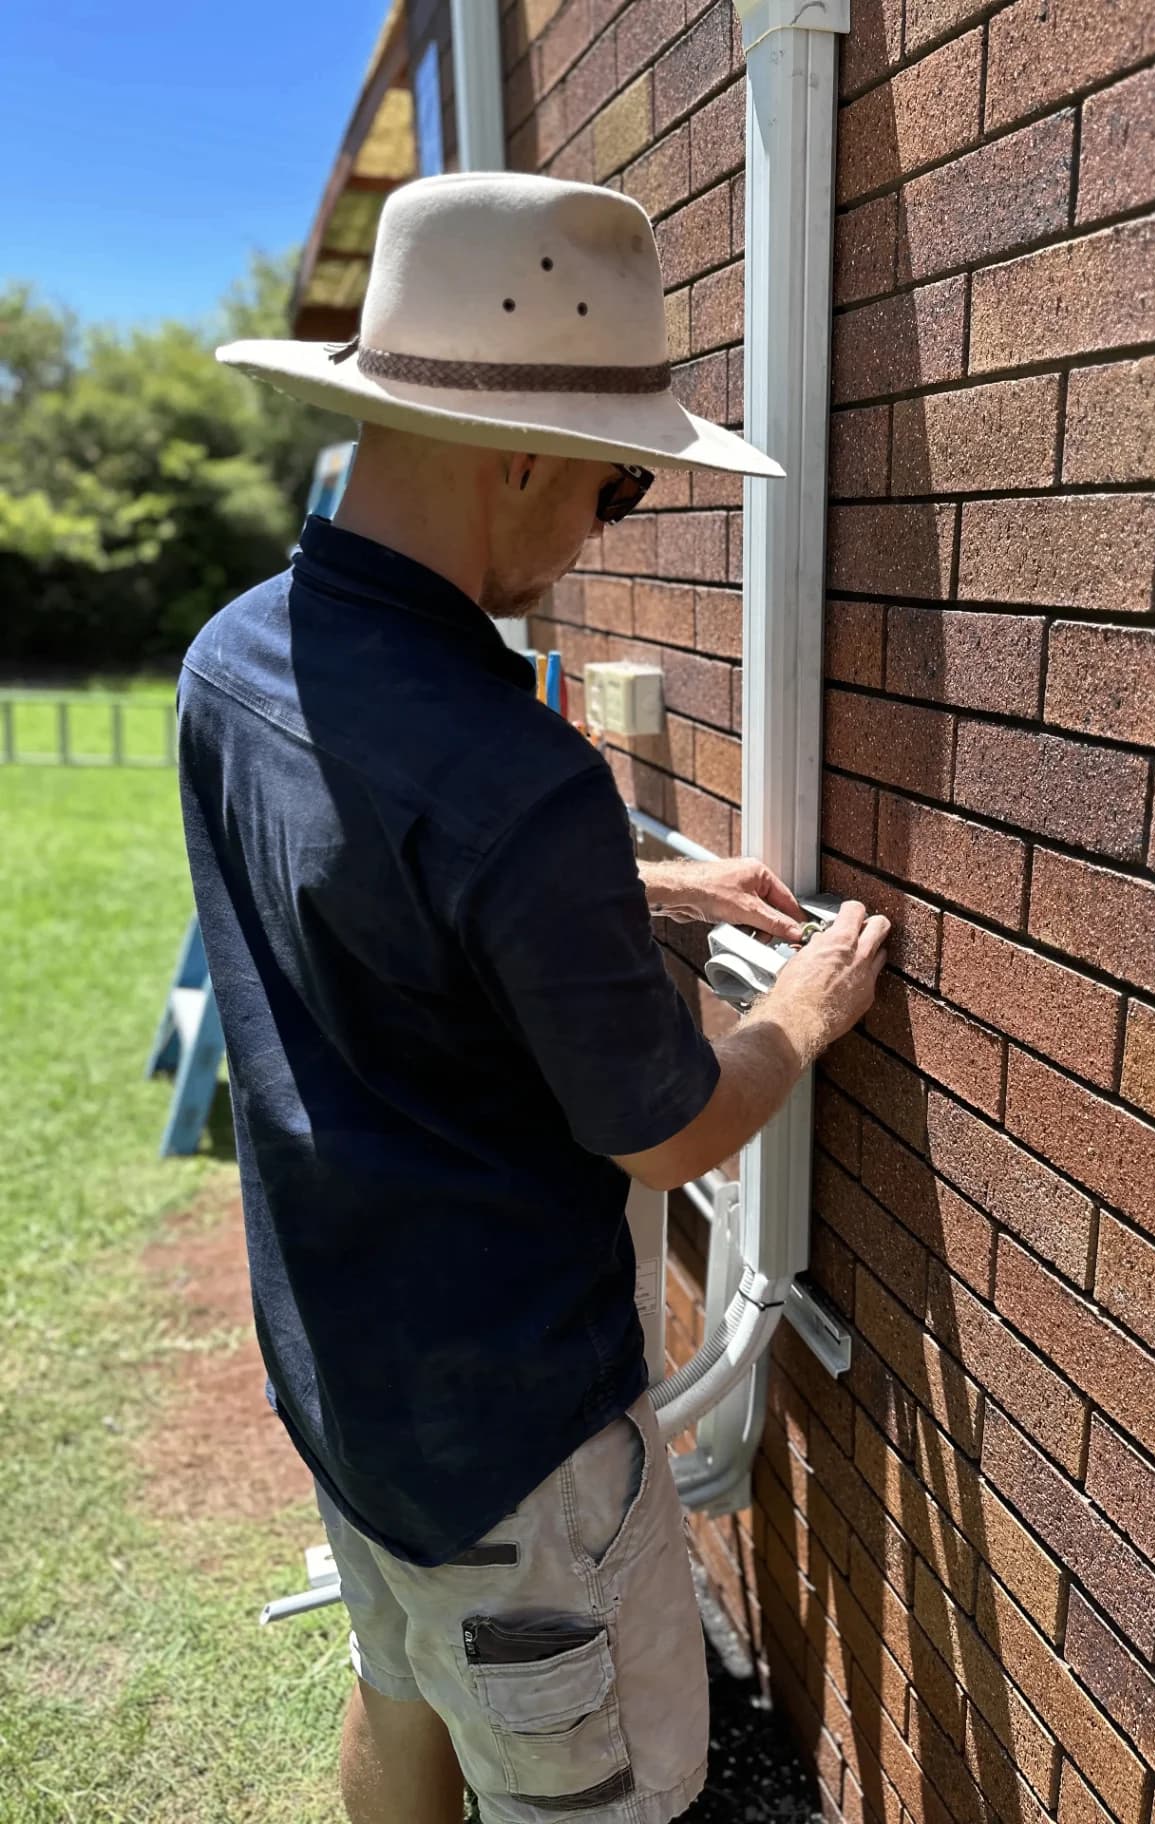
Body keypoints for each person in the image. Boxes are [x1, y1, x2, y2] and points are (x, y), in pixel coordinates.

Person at [182, 172, 890, 1824]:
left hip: (345, 1375)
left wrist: (631, 888)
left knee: (402, 1692)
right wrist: (805, 1012)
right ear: (518, 458)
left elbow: (361, 876)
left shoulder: (237, 659)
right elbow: (668, 1131)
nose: (603, 529)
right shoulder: (516, 777)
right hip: (519, 1448)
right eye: (618, 488)